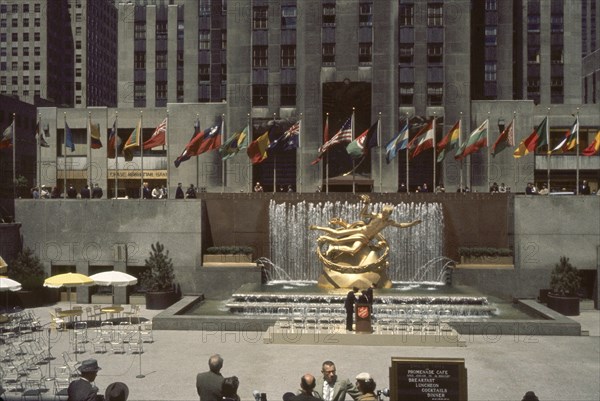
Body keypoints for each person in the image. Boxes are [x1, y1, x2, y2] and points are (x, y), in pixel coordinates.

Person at [310, 195, 421, 258]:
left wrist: (412, 223)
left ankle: (334, 248)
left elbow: (401, 225)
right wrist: (366, 206)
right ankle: (317, 227)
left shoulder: (388, 222)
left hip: (365, 238)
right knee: (337, 233)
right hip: (361, 230)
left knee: (353, 250)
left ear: (389, 214)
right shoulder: (376, 215)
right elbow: (362, 215)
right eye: (383, 213)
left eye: (386, 214)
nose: (384, 215)